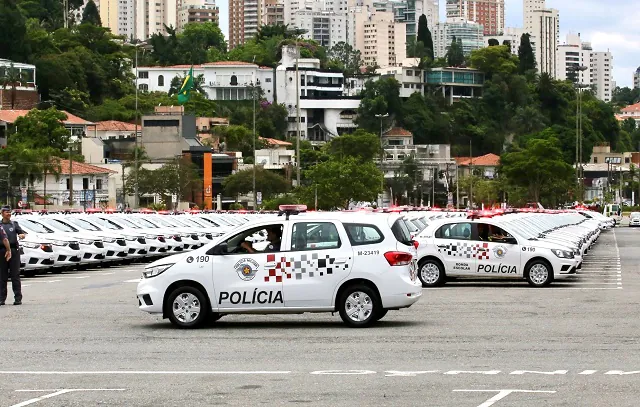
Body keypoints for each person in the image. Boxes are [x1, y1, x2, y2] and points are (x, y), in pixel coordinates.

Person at [0, 206, 26, 305]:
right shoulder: (0, 225)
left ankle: (18, 298)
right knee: (2, 276)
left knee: (15, 275)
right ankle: (2, 298)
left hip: (14, 251)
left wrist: (22, 235)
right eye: (6, 212)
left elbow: (21, 233)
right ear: (2, 213)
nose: (9, 214)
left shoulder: (14, 224)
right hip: (2, 251)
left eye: (10, 212)